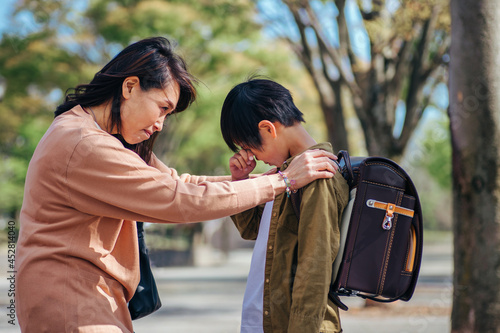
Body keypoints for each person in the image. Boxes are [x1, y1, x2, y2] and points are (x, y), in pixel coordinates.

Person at [14, 37, 340, 333]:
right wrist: (282, 181)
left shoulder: (96, 137)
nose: (160, 124)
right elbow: (179, 199)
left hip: (84, 298)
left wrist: (261, 181)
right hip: (73, 303)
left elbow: (178, 183)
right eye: (162, 108)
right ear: (130, 87)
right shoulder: (84, 143)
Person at [220, 78, 349, 333]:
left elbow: (315, 266)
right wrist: (240, 181)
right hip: (267, 320)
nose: (251, 156)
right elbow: (253, 231)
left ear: (268, 128)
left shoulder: (317, 175)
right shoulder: (288, 175)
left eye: (249, 146)